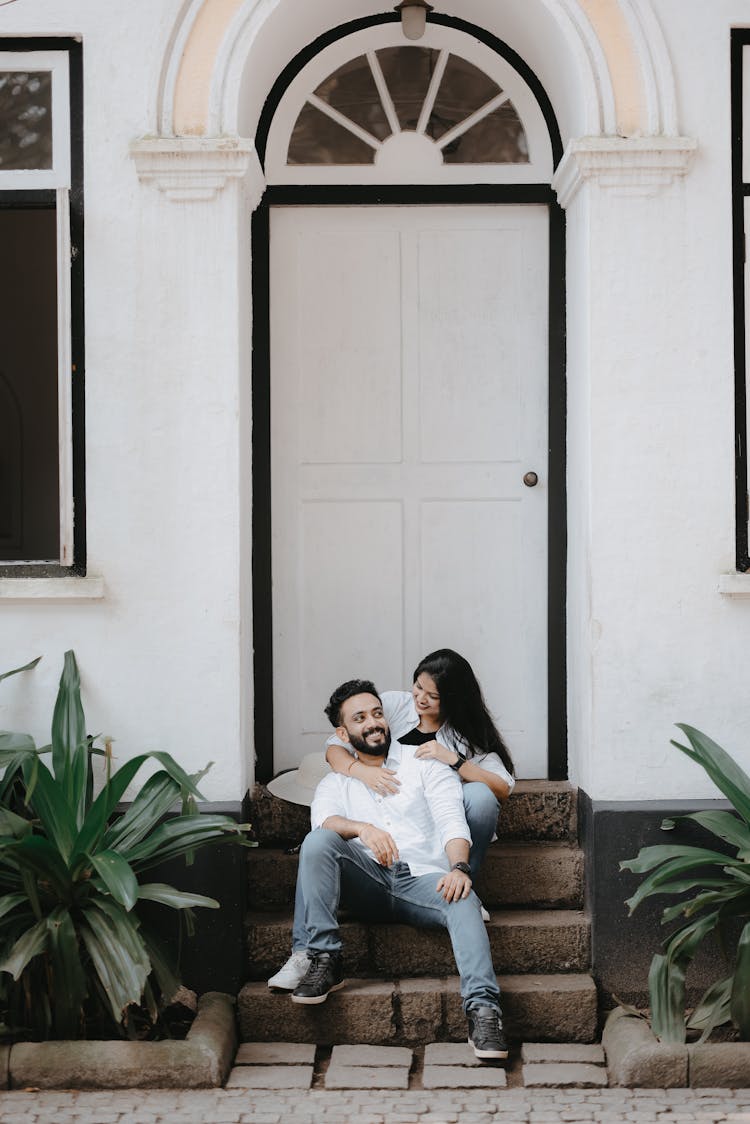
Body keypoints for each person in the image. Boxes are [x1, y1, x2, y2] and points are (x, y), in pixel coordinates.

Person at [268, 649, 514, 990]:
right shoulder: (396, 707)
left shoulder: (459, 740)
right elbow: (337, 747)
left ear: (454, 700)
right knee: (317, 844)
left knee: (479, 798)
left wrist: (454, 761)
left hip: (434, 843)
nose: (421, 700)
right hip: (373, 855)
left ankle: (461, 882)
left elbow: (494, 792)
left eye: (433, 696)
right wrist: (361, 775)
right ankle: (307, 953)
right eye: (418, 689)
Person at [289, 679, 508, 1060]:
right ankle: (325, 957)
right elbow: (323, 823)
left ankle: (484, 1011)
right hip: (366, 881)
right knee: (319, 842)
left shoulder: (423, 763)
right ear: (343, 733)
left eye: (377, 714)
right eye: (360, 718)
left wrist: (459, 868)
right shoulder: (336, 780)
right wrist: (363, 829)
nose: (373, 723)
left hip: (422, 880)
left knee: (464, 899)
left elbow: (452, 820)